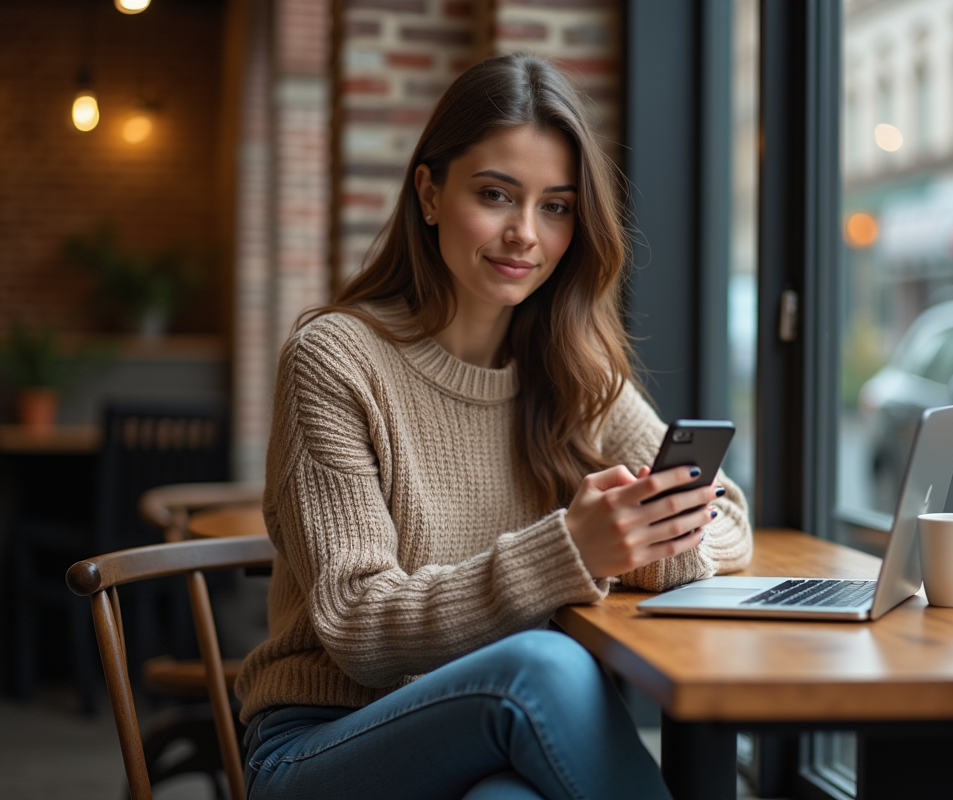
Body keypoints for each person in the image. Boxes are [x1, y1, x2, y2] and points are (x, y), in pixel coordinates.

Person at [234, 52, 753, 800]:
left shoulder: (571, 369)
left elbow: (729, 512)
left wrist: (649, 542)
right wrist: (573, 549)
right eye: (495, 194)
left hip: (485, 740)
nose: (525, 234)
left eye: (556, 206)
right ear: (430, 192)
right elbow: (358, 625)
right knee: (546, 666)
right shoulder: (335, 359)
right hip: (321, 745)